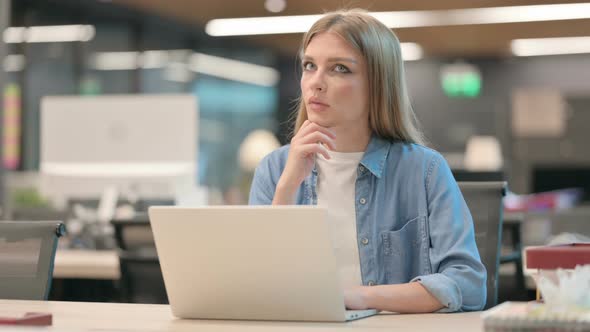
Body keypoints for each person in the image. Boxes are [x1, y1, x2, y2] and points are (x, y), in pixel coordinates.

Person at [248, 9, 486, 313]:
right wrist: (287, 186)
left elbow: (468, 285)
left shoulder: (424, 171)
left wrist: (356, 298)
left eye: (339, 69)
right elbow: (256, 285)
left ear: (378, 84)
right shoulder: (275, 169)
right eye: (310, 65)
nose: (315, 83)